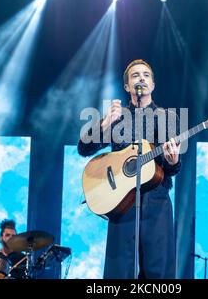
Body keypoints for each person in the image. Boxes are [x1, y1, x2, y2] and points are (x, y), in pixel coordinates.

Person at [78, 59, 181, 278]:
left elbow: (173, 168)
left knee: (158, 272)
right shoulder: (118, 117)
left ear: (153, 85)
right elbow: (84, 148)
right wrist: (105, 123)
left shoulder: (167, 118)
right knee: (119, 272)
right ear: (126, 86)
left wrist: (172, 162)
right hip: (122, 202)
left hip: (157, 201)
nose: (141, 78)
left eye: (146, 75)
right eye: (135, 75)